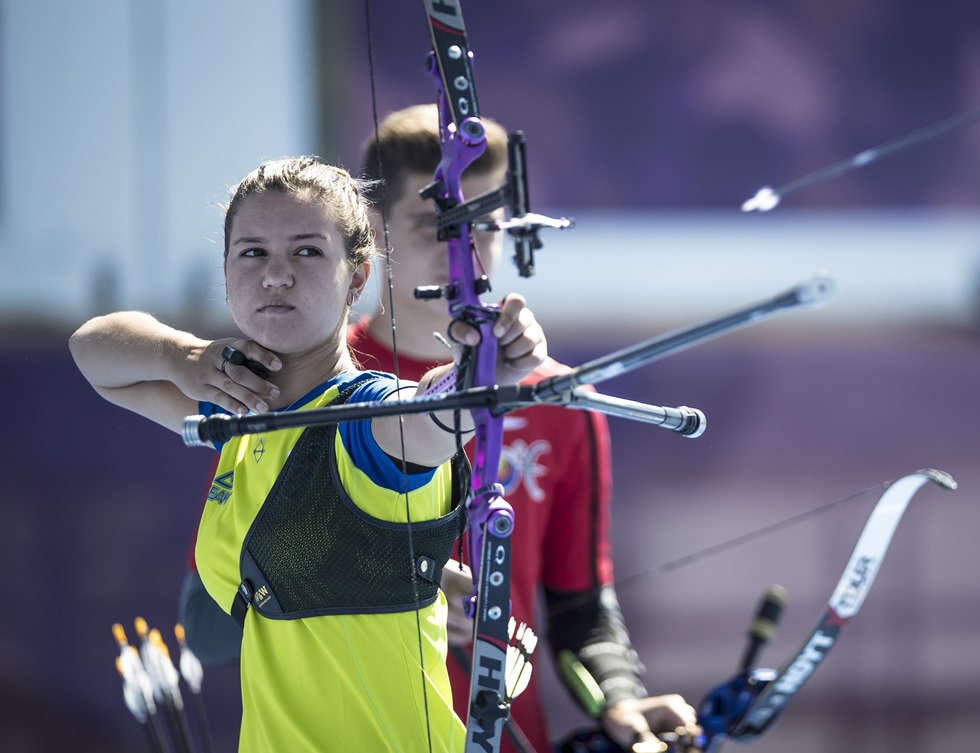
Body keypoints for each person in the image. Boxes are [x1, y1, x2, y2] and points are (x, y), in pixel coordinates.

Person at [176, 106, 698, 752]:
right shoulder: (296, 386)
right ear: (374, 233)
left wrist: (620, 698)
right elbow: (213, 620)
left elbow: (579, 606)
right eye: (436, 226)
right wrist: (389, 584)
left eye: (488, 224)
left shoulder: (562, 401)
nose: (468, 250)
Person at [70, 156, 548, 752]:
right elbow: (92, 353)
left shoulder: (369, 418)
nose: (275, 275)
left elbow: (434, 414)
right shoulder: (240, 411)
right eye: (251, 253)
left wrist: (485, 367)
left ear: (357, 276)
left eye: (306, 252)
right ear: (225, 272)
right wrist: (181, 356)